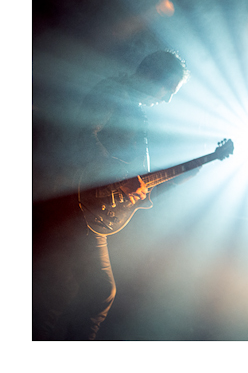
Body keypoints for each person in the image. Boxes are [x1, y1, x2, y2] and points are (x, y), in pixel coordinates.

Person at [32, 50, 190, 340]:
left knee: (76, 292)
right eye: (170, 89)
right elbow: (79, 135)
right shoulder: (113, 92)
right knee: (71, 293)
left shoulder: (137, 109)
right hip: (71, 202)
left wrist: (175, 179)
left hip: (89, 209)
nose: (168, 99)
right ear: (155, 75)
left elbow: (135, 176)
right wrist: (116, 176)